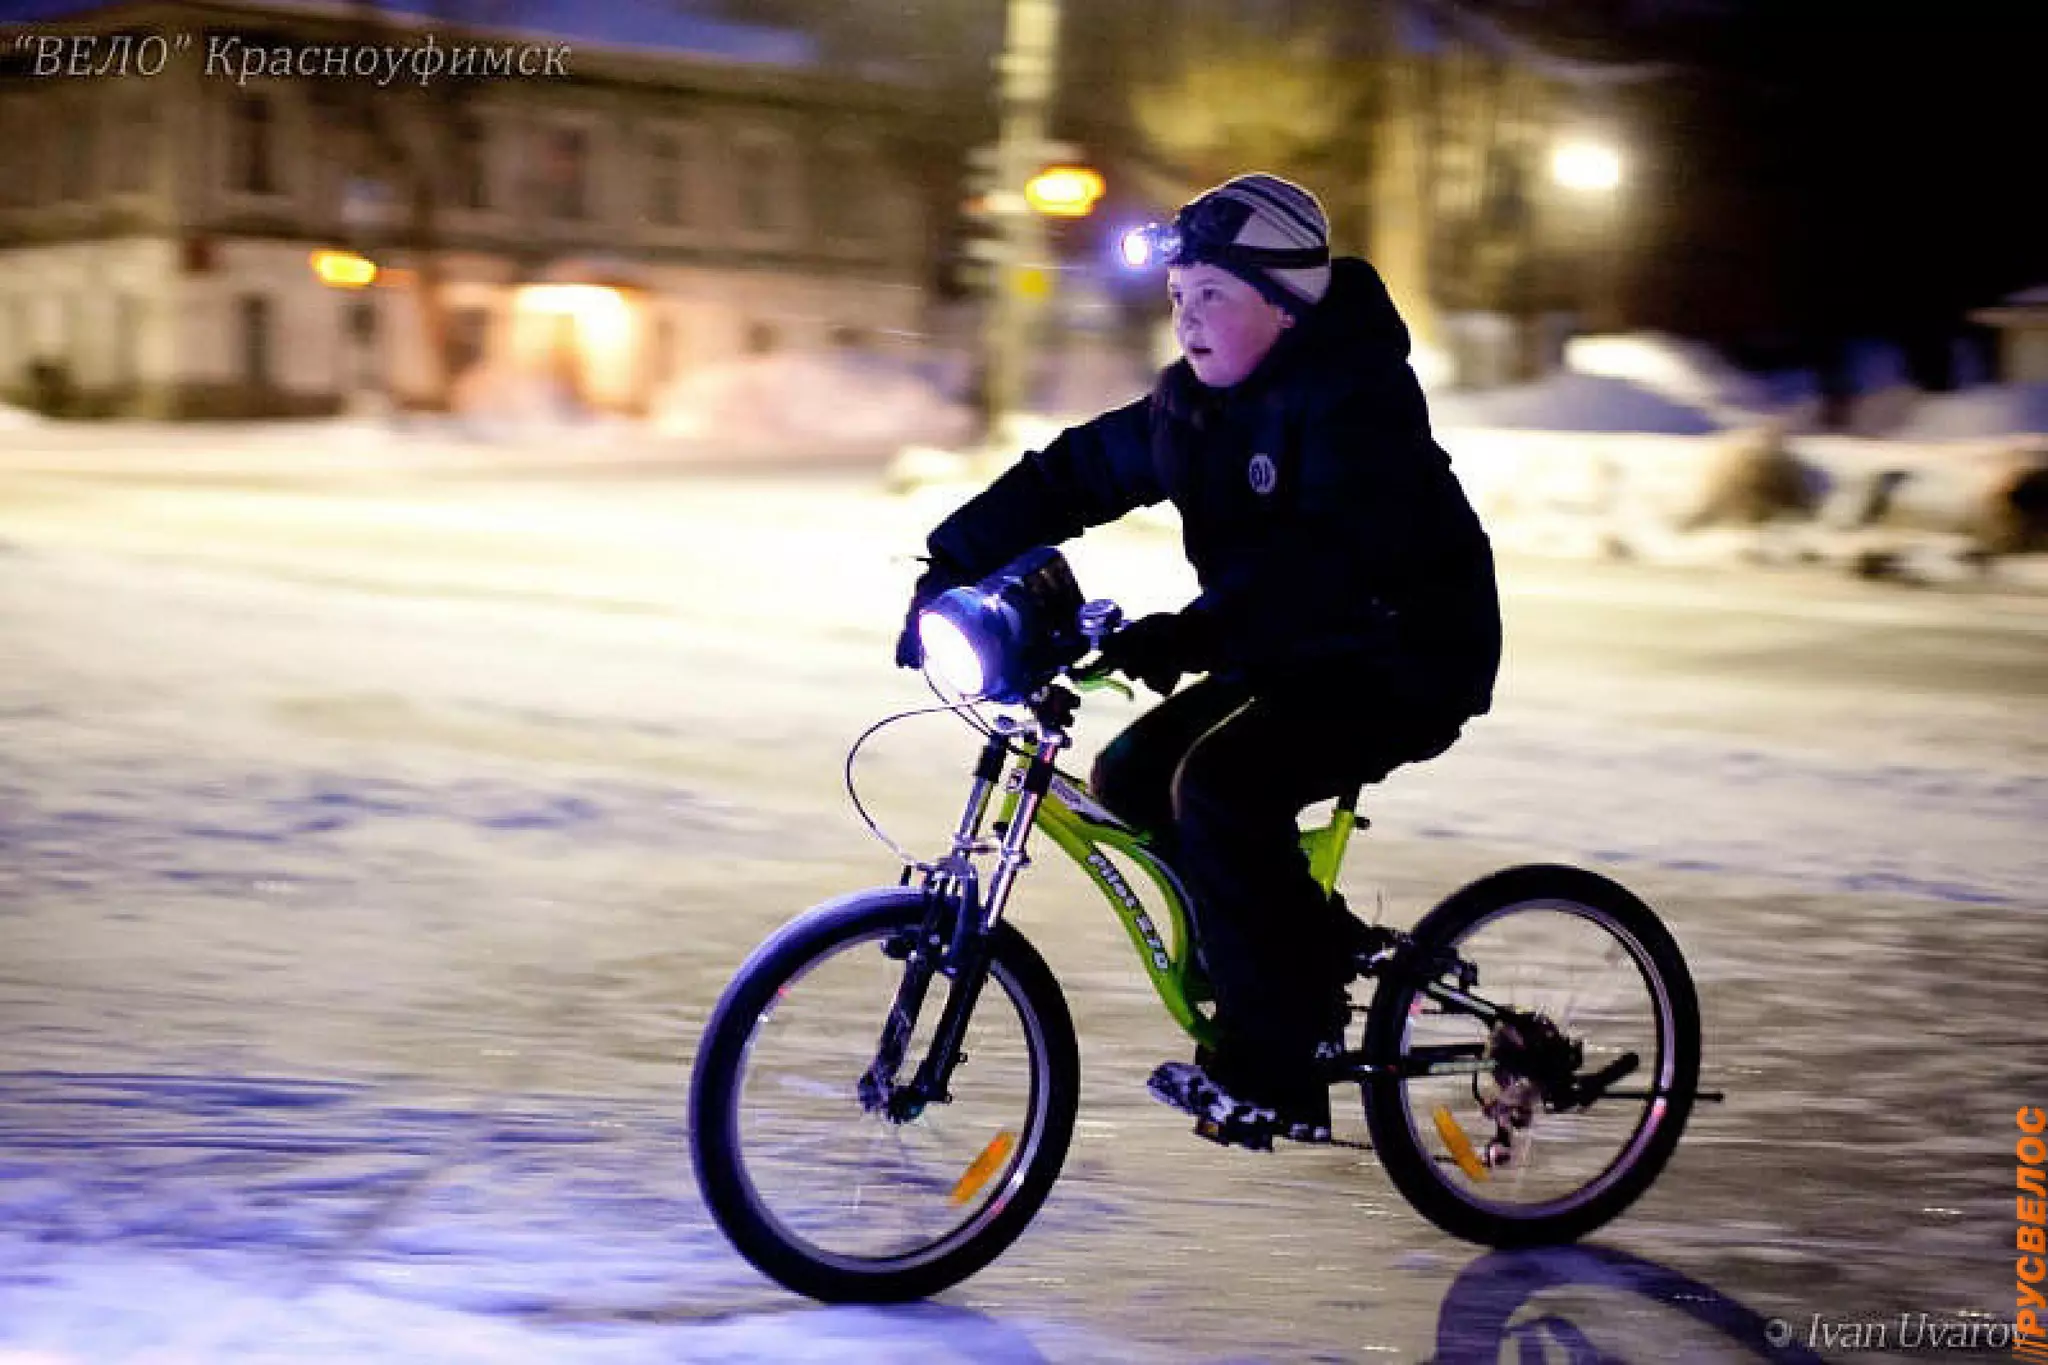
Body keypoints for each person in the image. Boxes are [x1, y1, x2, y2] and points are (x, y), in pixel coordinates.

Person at [895, 173, 1501, 1145]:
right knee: (1132, 775)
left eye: (1212, 294)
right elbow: (1078, 472)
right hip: (1287, 647)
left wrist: (1191, 632)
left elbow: (1328, 567)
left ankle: (1279, 1061)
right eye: (1177, 298)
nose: (1188, 319)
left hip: (1403, 651)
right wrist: (950, 560)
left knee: (1220, 787)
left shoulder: (1354, 401)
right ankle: (1288, 944)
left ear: (1284, 302)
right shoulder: (1195, 412)